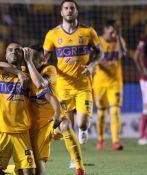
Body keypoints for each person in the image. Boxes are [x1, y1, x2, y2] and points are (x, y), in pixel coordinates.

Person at [0, 45, 86, 175]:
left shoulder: (50, 70)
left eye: (35, 58)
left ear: (43, 60)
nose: (33, 60)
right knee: (35, 172)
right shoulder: (24, 72)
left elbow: (42, 86)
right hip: (36, 128)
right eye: (30, 57)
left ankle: (79, 167)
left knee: (66, 125)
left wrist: (58, 115)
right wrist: (18, 72)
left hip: (53, 121)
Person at [43, 0, 104, 168]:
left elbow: (100, 53)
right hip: (63, 87)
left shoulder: (88, 31)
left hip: (83, 85)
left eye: (72, 8)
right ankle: (74, 159)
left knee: (82, 123)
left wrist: (91, 65)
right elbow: (45, 58)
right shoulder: (52, 34)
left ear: (76, 11)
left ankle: (83, 130)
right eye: (66, 8)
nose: (69, 10)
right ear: (61, 12)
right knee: (67, 126)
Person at [0, 13, 36, 175]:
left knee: (30, 173)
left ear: (22, 54)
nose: (14, 52)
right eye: (10, 50)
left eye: (18, 50)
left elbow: (34, 85)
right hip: (1, 131)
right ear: (5, 54)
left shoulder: (29, 73)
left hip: (22, 132)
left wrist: (23, 73)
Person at [93, 19, 127, 151]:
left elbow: (121, 54)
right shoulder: (98, 42)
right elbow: (96, 60)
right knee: (101, 113)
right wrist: (105, 64)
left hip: (115, 82)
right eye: (112, 31)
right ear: (105, 29)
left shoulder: (119, 40)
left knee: (115, 111)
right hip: (100, 82)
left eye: (115, 31)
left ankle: (116, 141)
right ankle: (100, 140)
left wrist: (118, 36)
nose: (113, 34)